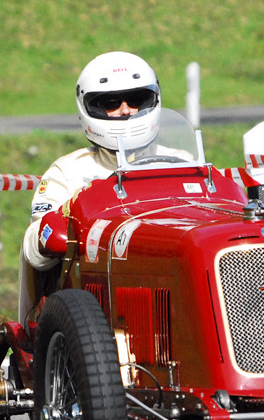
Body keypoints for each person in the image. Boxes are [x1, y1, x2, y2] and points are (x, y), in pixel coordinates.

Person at [18, 51, 162, 323]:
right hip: (91, 307)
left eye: (136, 99)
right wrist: (70, 211)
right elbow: (34, 250)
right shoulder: (68, 170)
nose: (125, 110)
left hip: (161, 283)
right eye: (110, 102)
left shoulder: (180, 160)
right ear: (90, 108)